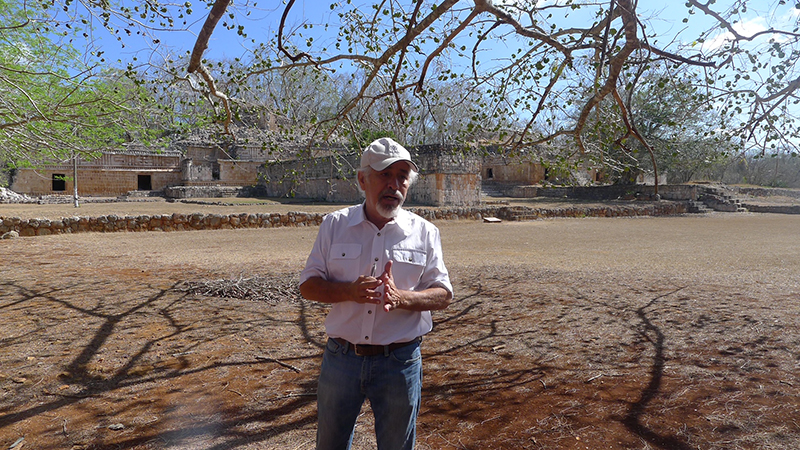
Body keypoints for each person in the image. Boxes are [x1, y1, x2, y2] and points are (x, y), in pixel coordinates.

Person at [299, 137, 453, 450]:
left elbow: (443, 294)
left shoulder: (425, 233)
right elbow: (308, 285)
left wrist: (403, 298)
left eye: (402, 176)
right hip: (341, 360)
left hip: (400, 362)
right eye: (384, 174)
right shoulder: (334, 225)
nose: (394, 185)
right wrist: (349, 291)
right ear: (362, 179)